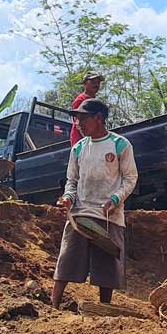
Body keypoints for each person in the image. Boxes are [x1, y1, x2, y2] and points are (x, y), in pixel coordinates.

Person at [53, 99, 139, 308]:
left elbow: (130, 178)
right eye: (77, 119)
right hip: (80, 214)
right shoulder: (78, 148)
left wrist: (115, 199)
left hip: (109, 216)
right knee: (66, 260)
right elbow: (72, 181)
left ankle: (105, 309)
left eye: (83, 118)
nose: (78, 124)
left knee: (107, 267)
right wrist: (68, 199)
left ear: (98, 118)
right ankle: (53, 305)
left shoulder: (120, 144)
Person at [69, 72, 104, 146]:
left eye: (98, 82)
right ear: (84, 84)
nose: (96, 85)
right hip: (81, 141)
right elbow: (78, 122)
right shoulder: (81, 100)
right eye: (93, 82)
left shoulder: (95, 101)